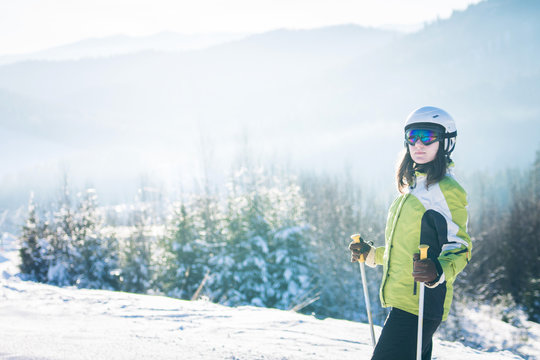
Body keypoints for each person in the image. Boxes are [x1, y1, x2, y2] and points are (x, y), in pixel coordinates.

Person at [348, 106, 472, 360]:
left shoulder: (447, 190)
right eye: (412, 136)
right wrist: (372, 254)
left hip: (421, 304)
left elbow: (460, 248)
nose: (418, 144)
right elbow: (403, 250)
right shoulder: (411, 189)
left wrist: (437, 270)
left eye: (427, 137)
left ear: (446, 142)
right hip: (405, 301)